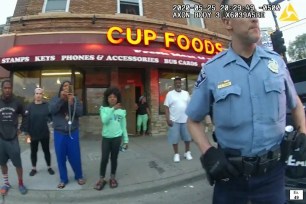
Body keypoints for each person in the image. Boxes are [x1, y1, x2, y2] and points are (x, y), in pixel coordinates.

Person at [186, 0, 306, 203]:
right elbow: (193, 120)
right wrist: (208, 152)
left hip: (273, 177)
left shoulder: (275, 62)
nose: (255, 17)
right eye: (245, 11)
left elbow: (295, 103)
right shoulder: (212, 70)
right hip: (230, 179)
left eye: (255, 11)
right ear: (227, 22)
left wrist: (303, 131)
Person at [49, 81, 85, 189]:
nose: (66, 88)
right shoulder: (55, 99)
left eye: (68, 86)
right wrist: (61, 100)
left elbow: (80, 112)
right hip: (59, 133)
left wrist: (71, 102)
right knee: (60, 157)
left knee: (75, 156)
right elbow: (51, 110)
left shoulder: (75, 99)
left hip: (72, 132)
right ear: (60, 89)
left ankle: (79, 176)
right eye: (64, 86)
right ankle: (63, 179)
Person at [94, 87, 128, 190]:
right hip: (106, 138)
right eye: (110, 97)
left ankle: (112, 178)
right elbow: (105, 121)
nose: (112, 98)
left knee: (114, 158)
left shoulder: (122, 112)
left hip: (117, 138)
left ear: (118, 98)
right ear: (107, 99)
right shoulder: (103, 109)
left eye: (114, 97)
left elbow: (123, 127)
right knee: (104, 159)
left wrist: (126, 140)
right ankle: (101, 179)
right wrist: (113, 109)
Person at [0, 80, 28, 195]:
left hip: (13, 139)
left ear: (11, 89)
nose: (7, 90)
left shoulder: (17, 102)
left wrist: (21, 129)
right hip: (1, 139)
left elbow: (26, 115)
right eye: (5, 88)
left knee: (18, 164)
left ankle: (20, 183)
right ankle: (6, 183)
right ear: (2, 89)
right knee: (2, 163)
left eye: (9, 88)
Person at [24, 87, 55, 176]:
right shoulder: (29, 106)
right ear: (34, 95)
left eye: (40, 93)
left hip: (44, 133)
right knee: (33, 152)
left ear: (42, 95)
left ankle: (49, 167)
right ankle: (34, 168)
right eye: (37, 93)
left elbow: (51, 118)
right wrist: (27, 133)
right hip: (33, 134)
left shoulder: (47, 106)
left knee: (46, 151)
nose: (38, 95)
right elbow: (26, 120)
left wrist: (52, 125)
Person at [164, 77, 193, 162]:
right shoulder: (170, 94)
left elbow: (190, 106)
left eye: (179, 83)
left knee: (187, 138)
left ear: (181, 84)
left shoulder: (186, 93)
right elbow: (166, 107)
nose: (178, 84)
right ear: (174, 84)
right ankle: (176, 154)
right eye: (176, 83)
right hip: (174, 121)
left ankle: (187, 152)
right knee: (174, 139)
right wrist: (167, 119)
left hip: (185, 120)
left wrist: (190, 118)